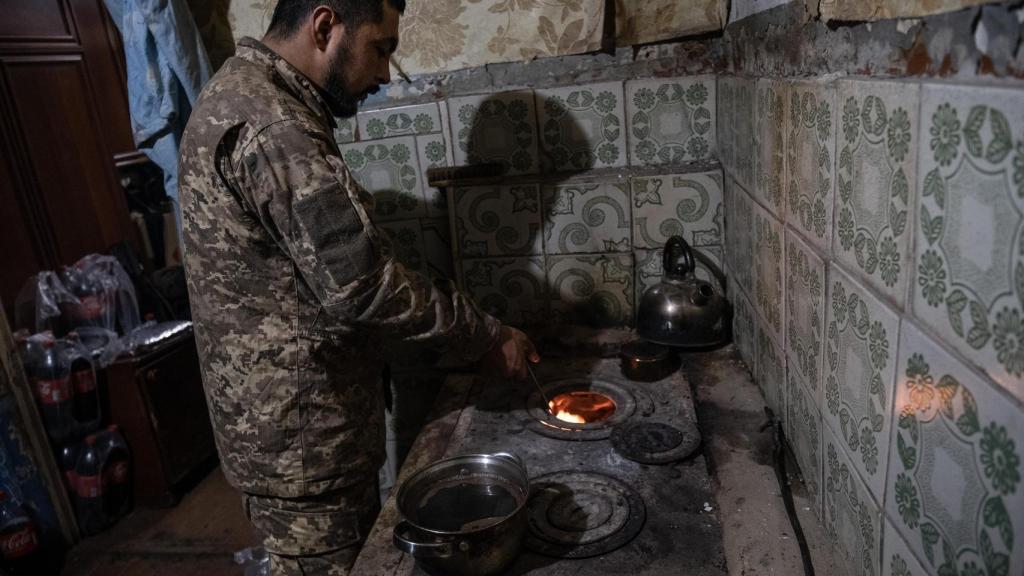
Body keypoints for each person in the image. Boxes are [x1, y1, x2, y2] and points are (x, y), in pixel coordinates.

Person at [177, 1, 538, 574]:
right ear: (325, 27)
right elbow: (364, 284)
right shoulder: (276, 125)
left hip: (286, 437)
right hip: (306, 451)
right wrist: (486, 336)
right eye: (380, 48)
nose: (385, 74)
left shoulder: (242, 92)